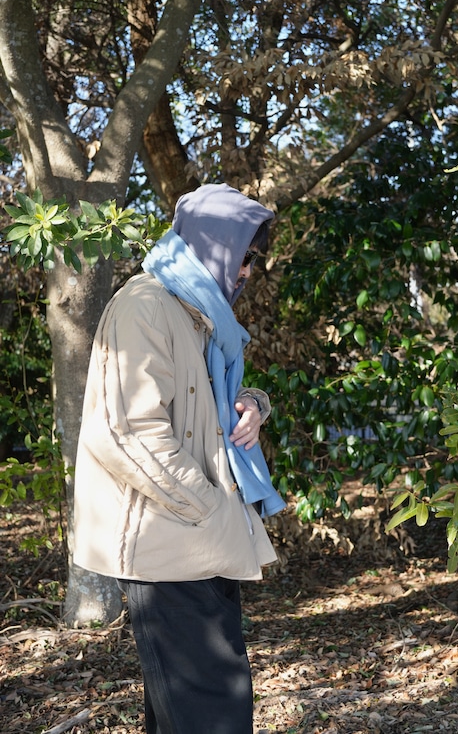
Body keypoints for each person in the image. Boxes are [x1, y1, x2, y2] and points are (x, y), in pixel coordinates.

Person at [73, 183, 286, 734]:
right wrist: (207, 507)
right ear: (213, 244)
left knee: (188, 715)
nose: (247, 272)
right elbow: (126, 432)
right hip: (172, 542)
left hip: (199, 537)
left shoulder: (197, 310)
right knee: (214, 714)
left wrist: (253, 404)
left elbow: (206, 405)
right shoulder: (146, 306)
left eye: (254, 259)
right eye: (244, 255)